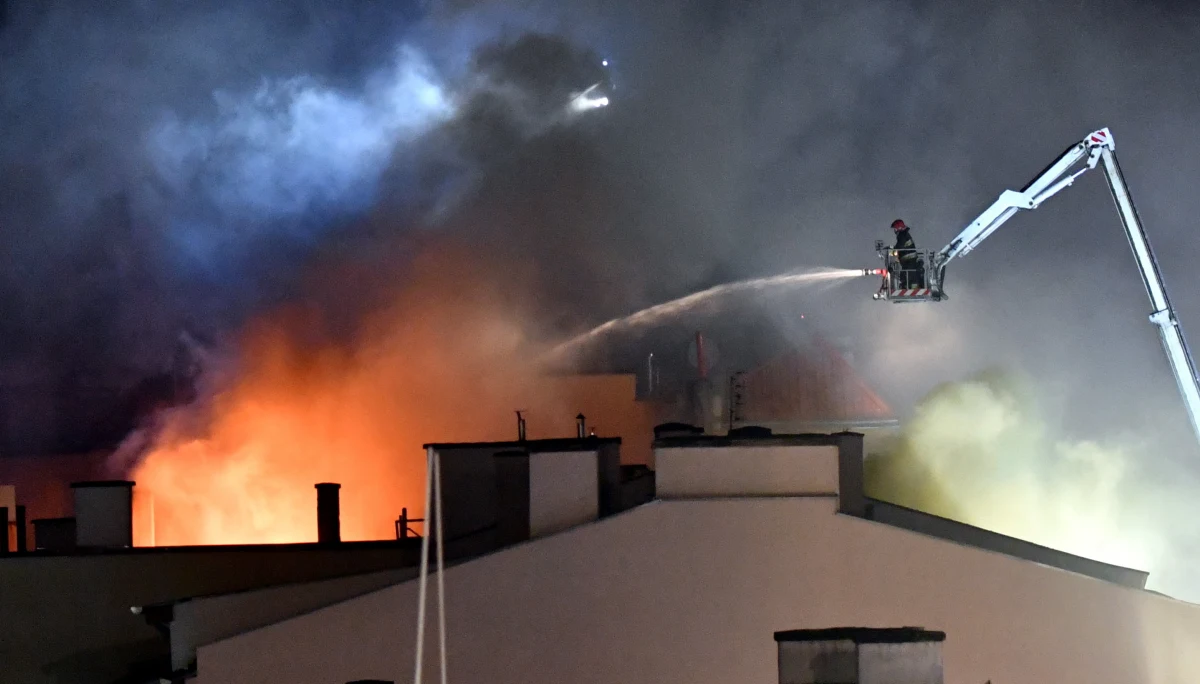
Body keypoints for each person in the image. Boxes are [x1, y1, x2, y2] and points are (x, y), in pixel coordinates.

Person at [890, 219, 925, 288]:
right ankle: (911, 287)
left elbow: (899, 247)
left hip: (909, 261)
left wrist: (890, 252)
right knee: (908, 276)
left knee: (906, 276)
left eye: (895, 229)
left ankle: (908, 287)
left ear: (899, 228)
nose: (895, 231)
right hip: (910, 261)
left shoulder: (902, 235)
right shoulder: (905, 234)